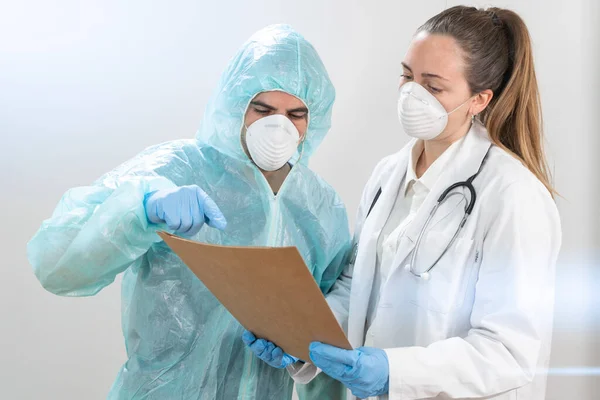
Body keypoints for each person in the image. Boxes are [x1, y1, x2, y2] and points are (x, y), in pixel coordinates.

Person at [245, 7, 562, 400]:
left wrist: (394, 373)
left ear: (479, 99)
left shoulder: (513, 194)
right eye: (408, 76)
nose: (412, 94)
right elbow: (356, 285)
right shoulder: (387, 174)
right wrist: (300, 338)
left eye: (434, 86)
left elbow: (509, 352)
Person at [27, 24, 350, 400]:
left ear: (314, 120)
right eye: (262, 109)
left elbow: (328, 344)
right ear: (235, 104)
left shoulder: (321, 207)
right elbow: (56, 264)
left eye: (296, 114)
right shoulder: (176, 168)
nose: (279, 127)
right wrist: (140, 211)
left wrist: (305, 359)